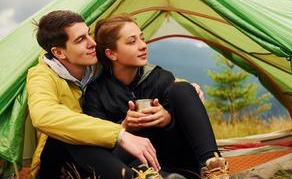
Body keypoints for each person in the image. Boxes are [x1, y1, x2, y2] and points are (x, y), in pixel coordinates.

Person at [27, 10, 201, 179]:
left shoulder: (95, 63)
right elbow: (43, 116)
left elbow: (144, 71)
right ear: (58, 52)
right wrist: (120, 133)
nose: (92, 43)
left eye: (89, 34)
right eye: (81, 40)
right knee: (71, 136)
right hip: (63, 161)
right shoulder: (41, 75)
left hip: (107, 157)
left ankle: (153, 175)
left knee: (143, 123)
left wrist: (181, 85)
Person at [82, 14, 230, 179]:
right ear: (111, 54)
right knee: (122, 150)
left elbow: (184, 121)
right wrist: (124, 127)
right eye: (132, 41)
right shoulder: (96, 93)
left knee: (182, 89)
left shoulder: (160, 78)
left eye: (142, 39)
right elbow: (98, 146)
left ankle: (213, 165)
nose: (143, 46)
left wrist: (167, 120)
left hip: (177, 158)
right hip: (138, 168)